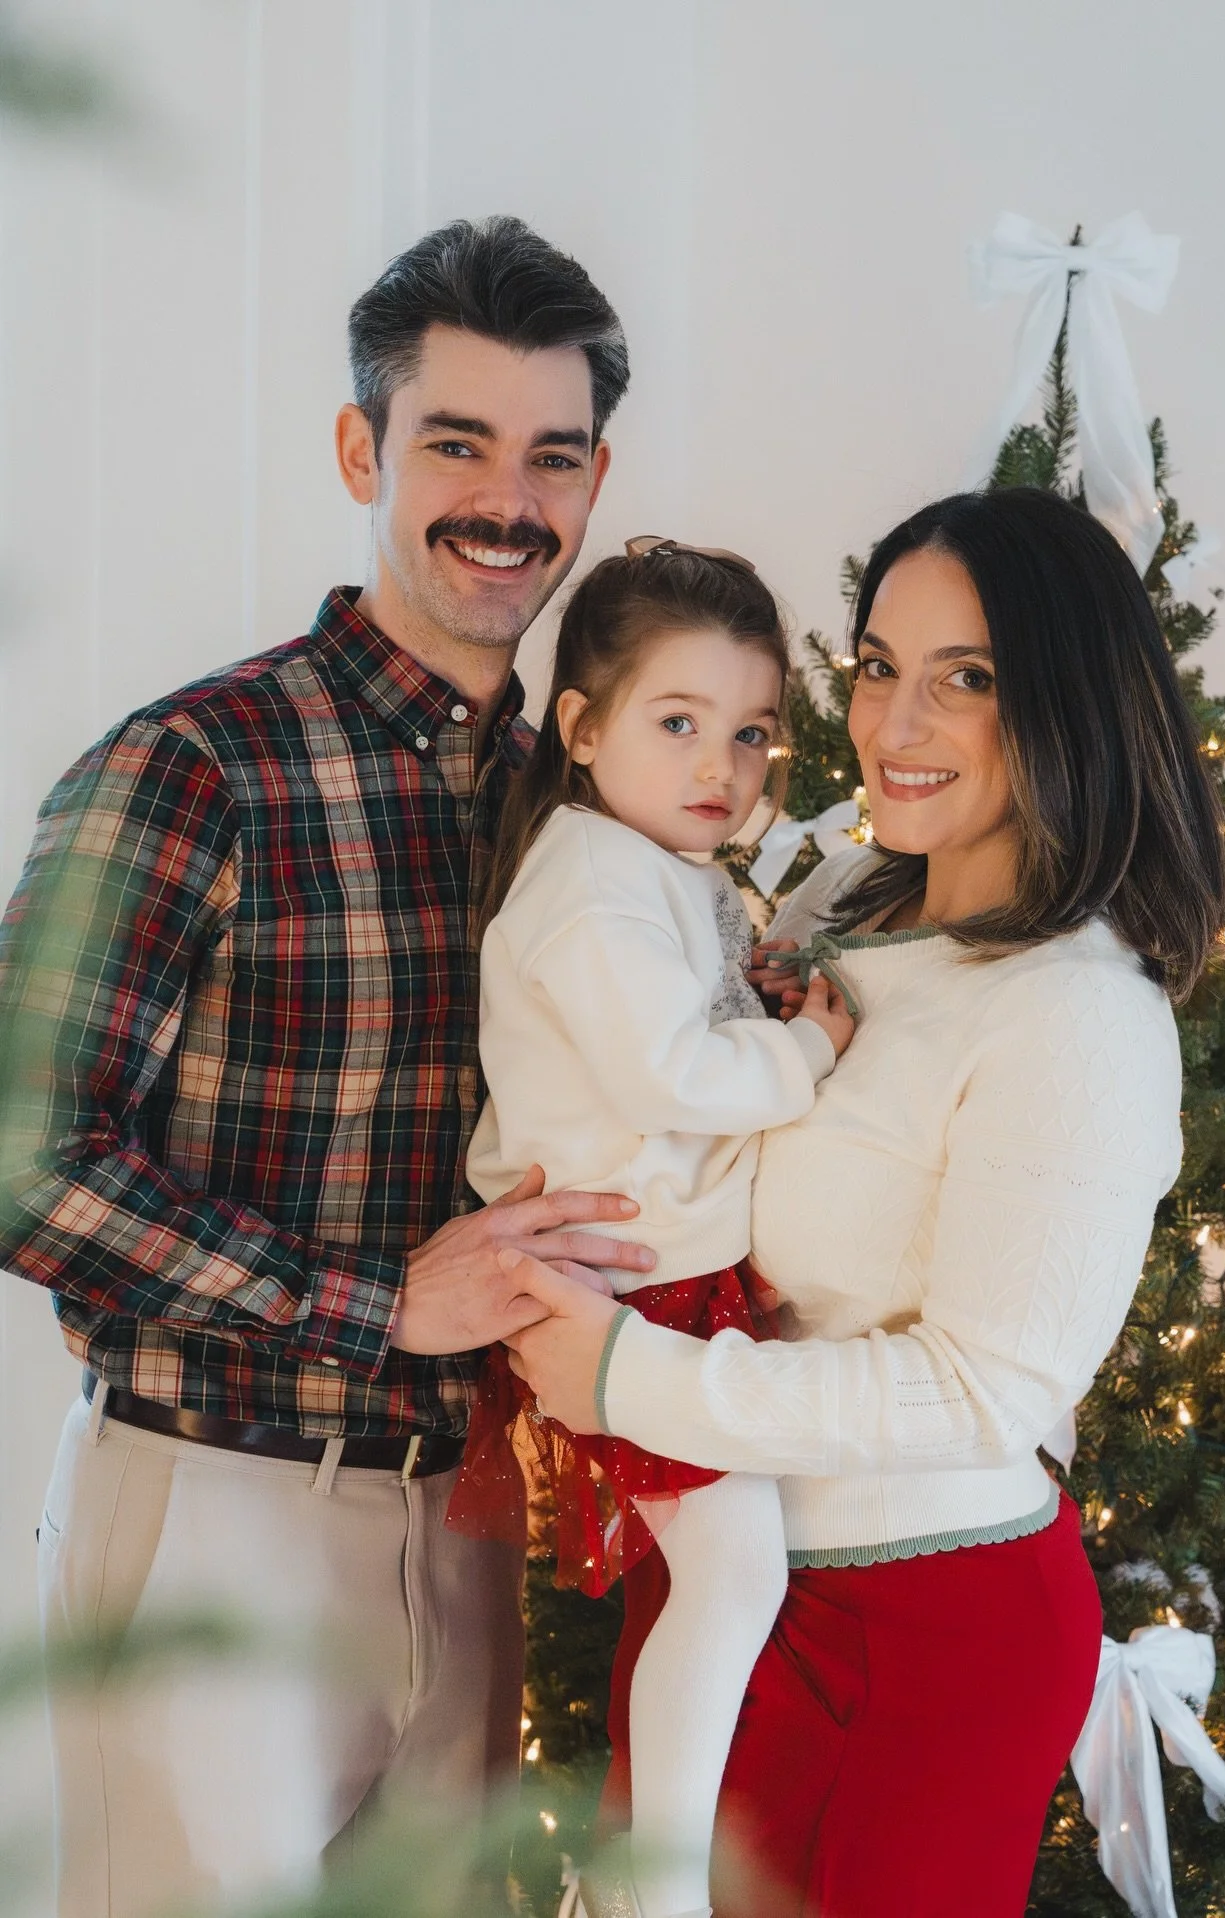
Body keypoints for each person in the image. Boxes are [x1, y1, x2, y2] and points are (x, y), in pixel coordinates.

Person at [0, 216, 655, 1917]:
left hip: (466, 1521)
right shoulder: (191, 768)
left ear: (593, 484)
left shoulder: (577, 814)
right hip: (218, 1505)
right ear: (363, 448)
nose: (507, 499)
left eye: (552, 455)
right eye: (457, 442)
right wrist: (375, 1303)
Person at [498, 487, 1225, 1917]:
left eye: (967, 679)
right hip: (737, 1557)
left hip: (917, 1623)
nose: (894, 724)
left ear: (1068, 703)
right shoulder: (847, 908)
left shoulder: (1079, 1017)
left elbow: (982, 1387)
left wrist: (631, 1374)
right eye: (881, 664)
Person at [448, 536, 855, 1918]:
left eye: (751, 733)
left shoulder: (650, 862)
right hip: (625, 1295)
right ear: (582, 727)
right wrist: (805, 1054)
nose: (721, 768)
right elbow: (670, 1071)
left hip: (651, 1283)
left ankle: (657, 1872)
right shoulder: (593, 880)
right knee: (736, 1573)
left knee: (728, 1573)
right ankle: (661, 1882)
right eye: (678, 723)